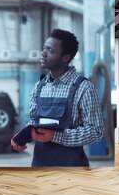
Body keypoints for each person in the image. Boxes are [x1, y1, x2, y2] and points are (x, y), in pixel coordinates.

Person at [11, 29, 103, 167]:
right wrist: (24, 136)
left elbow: (95, 131)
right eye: (44, 48)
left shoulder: (84, 88)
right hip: (39, 165)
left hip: (71, 169)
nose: (43, 53)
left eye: (50, 50)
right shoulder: (40, 87)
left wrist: (55, 136)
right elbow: (34, 121)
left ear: (65, 57)